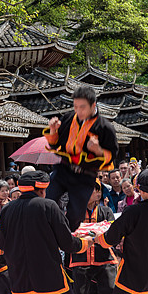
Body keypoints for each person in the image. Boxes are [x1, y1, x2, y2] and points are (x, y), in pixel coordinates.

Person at [0, 170, 93, 294]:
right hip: (48, 276)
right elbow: (67, 243)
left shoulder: (8, 209)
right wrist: (85, 243)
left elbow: (1, 243)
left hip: (20, 277)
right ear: (42, 189)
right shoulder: (48, 205)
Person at [44, 85, 119, 230]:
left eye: (82, 107)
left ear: (93, 105)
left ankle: (65, 238)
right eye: (76, 106)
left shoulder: (105, 127)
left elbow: (112, 156)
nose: (78, 111)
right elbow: (55, 146)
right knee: (46, 203)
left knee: (75, 215)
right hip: (63, 170)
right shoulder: (68, 118)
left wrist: (98, 149)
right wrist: (53, 132)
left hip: (85, 175)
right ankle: (47, 232)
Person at [71, 181, 117, 294]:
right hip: (80, 258)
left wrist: (91, 232)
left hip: (104, 257)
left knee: (111, 290)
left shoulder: (106, 211)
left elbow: (111, 230)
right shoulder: (73, 211)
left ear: (98, 194)